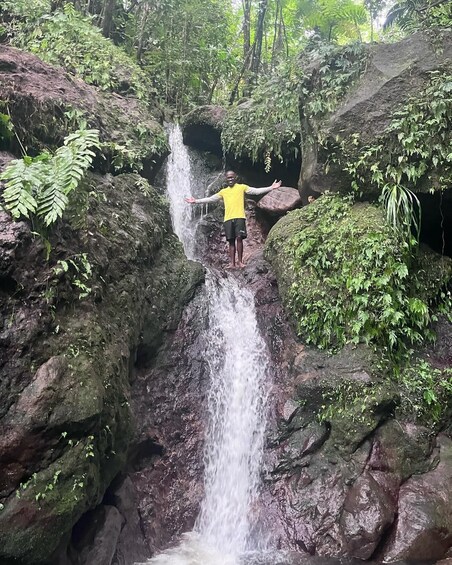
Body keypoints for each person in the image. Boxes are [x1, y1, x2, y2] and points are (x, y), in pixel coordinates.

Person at [185, 170, 282, 269]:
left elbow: (255, 191)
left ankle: (240, 262)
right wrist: (196, 201)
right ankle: (232, 263)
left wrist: (271, 187)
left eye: (232, 177)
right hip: (228, 219)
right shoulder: (223, 192)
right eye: (228, 177)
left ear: (235, 178)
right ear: (226, 179)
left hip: (239, 217)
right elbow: (211, 199)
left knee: (239, 238)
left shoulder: (242, 187)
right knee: (231, 241)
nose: (230, 179)